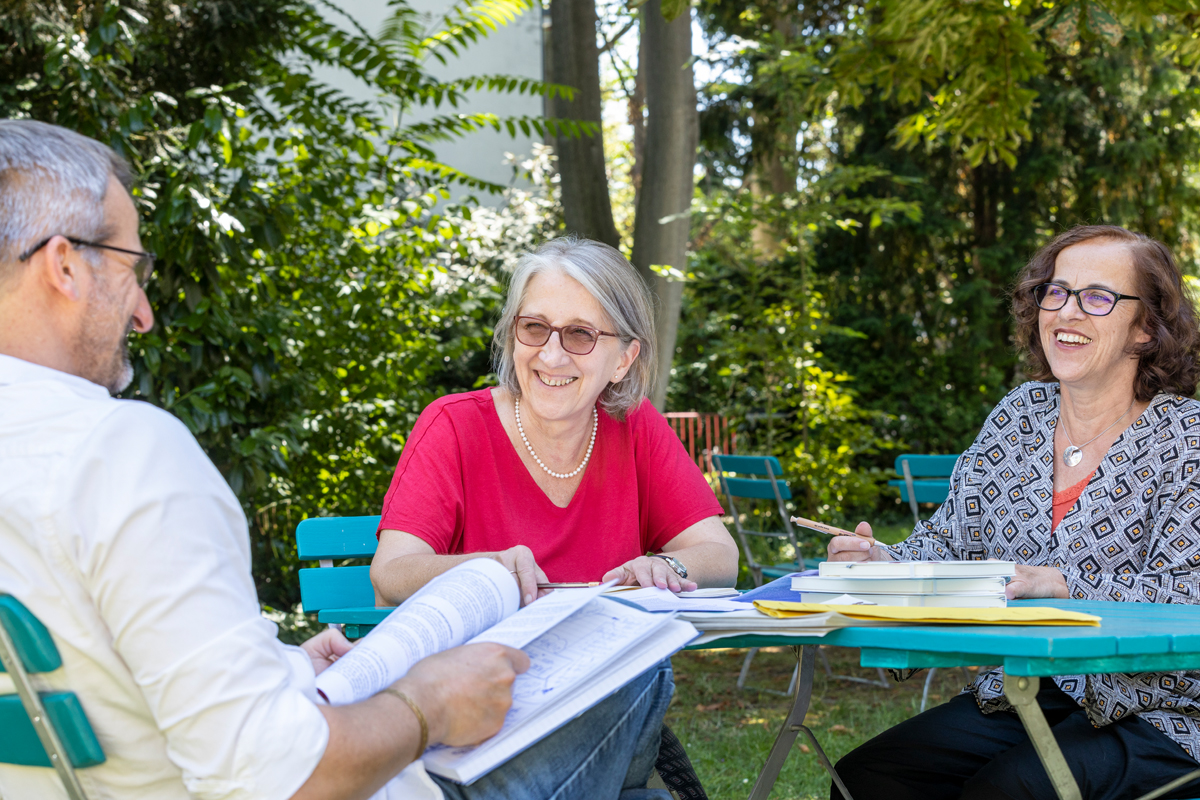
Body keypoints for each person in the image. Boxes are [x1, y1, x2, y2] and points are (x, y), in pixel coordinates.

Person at [0, 119, 675, 800]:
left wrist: (284, 667)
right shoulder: (123, 453)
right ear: (63, 267)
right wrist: (428, 702)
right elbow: (274, 776)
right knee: (638, 679)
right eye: (130, 267)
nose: (143, 311)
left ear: (623, 358)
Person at [826, 225, 1200, 800]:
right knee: (869, 779)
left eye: (1098, 298)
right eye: (1056, 292)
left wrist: (1066, 583)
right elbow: (949, 542)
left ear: (1146, 328)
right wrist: (880, 560)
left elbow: (1190, 595)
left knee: (1010, 790)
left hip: (1164, 707)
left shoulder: (1185, 439)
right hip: (1029, 691)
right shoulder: (1018, 415)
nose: (1067, 313)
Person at [369, 238, 739, 607]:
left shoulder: (634, 425)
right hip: (486, 662)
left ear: (623, 360)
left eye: (580, 334)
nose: (551, 355)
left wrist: (667, 566)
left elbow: (721, 555)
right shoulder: (454, 425)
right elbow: (391, 573)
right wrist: (485, 569)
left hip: (618, 661)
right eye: (534, 327)